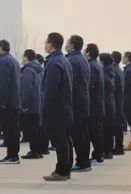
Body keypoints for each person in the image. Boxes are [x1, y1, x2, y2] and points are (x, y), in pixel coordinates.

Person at [42, 33, 73, 181]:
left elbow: (51, 90)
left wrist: (46, 110)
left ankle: (62, 171)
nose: (45, 44)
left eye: (46, 42)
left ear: (51, 44)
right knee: (64, 139)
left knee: (60, 140)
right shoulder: (64, 60)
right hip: (65, 106)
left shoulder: (54, 63)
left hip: (56, 108)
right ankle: (65, 168)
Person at [66, 35, 92, 172]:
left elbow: (71, 84)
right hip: (83, 101)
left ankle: (82, 162)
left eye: (67, 42)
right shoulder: (82, 59)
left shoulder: (72, 61)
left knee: (77, 134)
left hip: (76, 102)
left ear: (72, 45)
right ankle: (84, 161)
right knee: (82, 133)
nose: (65, 45)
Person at [0, 40, 21, 164]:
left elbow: (3, 83)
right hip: (15, 100)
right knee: (14, 129)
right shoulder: (14, 60)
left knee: (8, 129)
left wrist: (2, 101)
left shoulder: (4, 61)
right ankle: (14, 154)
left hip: (7, 102)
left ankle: (12, 155)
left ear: (1, 48)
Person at [19, 49, 45, 159]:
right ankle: (38, 151)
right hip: (38, 102)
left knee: (31, 129)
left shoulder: (28, 70)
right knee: (37, 128)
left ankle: (34, 151)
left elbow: (27, 89)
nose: (22, 59)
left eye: (23, 56)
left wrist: (24, 105)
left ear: (26, 58)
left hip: (30, 105)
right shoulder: (39, 69)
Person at [85, 44, 106, 164]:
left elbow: (91, 85)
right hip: (97, 104)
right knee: (96, 131)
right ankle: (98, 154)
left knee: (94, 131)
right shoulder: (96, 65)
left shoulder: (92, 66)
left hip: (93, 104)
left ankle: (98, 156)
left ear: (88, 53)